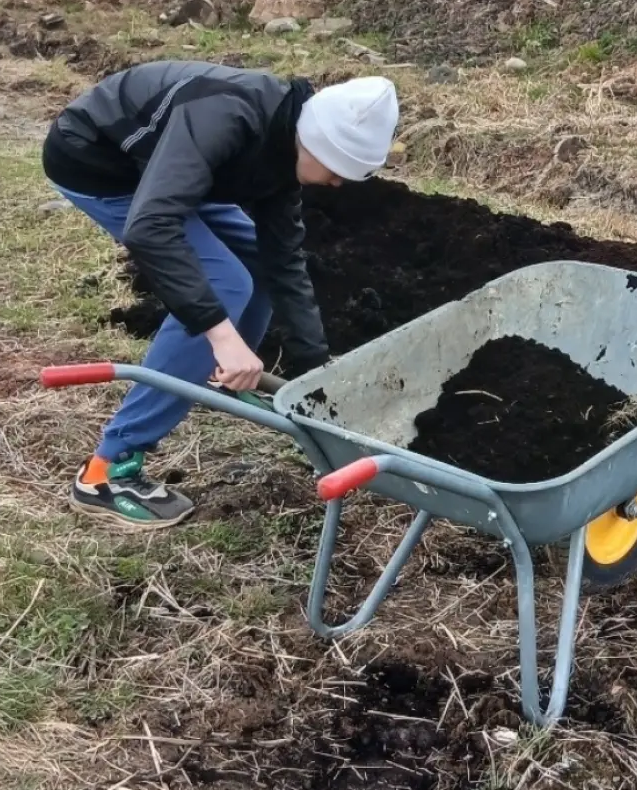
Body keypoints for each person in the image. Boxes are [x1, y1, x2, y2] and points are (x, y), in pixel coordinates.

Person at [42, 60, 400, 529]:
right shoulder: (227, 117)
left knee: (256, 262)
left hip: (167, 166)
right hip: (98, 162)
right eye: (338, 170)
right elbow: (150, 226)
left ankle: (210, 370)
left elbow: (284, 261)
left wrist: (317, 373)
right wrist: (222, 335)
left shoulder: (282, 142)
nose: (338, 183)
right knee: (225, 284)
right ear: (316, 142)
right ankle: (107, 471)